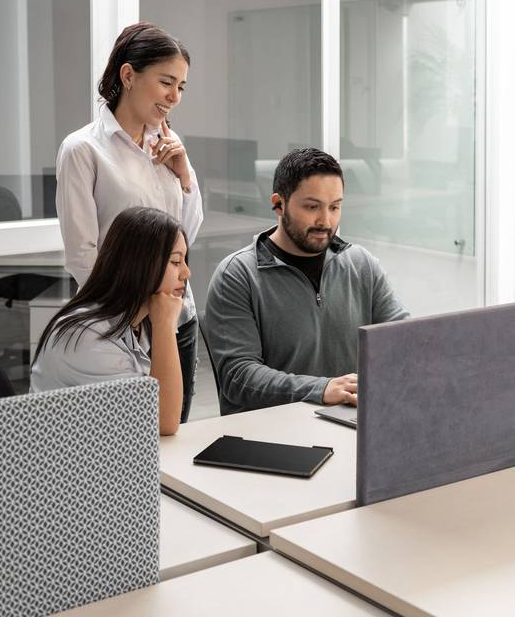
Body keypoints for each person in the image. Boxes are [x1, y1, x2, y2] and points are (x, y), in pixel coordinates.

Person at [55, 22, 203, 421]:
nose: (174, 97)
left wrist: (184, 173)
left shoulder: (168, 145)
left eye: (181, 87)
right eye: (166, 82)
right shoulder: (83, 149)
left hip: (175, 317)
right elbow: (82, 253)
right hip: (120, 327)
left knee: (174, 433)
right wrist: (128, 319)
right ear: (128, 75)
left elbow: (186, 236)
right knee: (131, 445)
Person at [205, 147, 409, 415]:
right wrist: (321, 390)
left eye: (335, 207)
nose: (325, 221)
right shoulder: (237, 275)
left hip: (349, 420)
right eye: (312, 207)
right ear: (278, 204)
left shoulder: (361, 264)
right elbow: (239, 377)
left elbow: (403, 340)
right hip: (271, 433)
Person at [30, 207, 190, 436]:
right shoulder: (86, 336)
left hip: (102, 452)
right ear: (140, 263)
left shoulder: (133, 322)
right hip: (66, 464)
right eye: (176, 262)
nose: (186, 273)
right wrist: (165, 326)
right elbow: (163, 422)